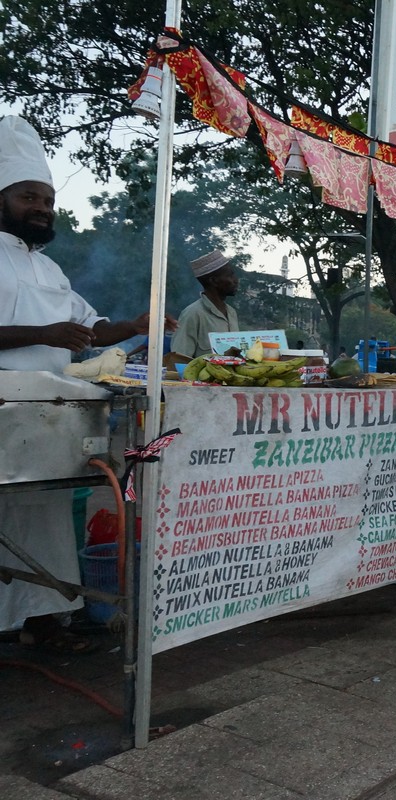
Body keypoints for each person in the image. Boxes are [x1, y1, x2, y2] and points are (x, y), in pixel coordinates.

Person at [0, 115, 176, 652]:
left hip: (47, 413)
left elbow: (90, 328)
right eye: (29, 196)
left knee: (45, 520)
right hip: (4, 408)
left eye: (48, 199)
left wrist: (133, 326)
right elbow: (56, 331)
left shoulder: (51, 270)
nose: (42, 208)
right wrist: (43, 332)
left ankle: (43, 617)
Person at [166, 250, 240, 363]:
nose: (236, 280)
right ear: (214, 281)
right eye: (230, 275)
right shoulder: (193, 313)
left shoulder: (231, 313)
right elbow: (179, 360)